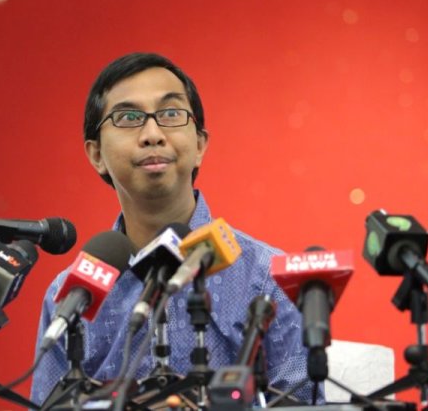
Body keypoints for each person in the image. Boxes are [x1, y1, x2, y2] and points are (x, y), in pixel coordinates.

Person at [30, 52, 321, 406]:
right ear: (96, 155)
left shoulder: (268, 278)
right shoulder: (73, 295)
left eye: (169, 114)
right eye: (128, 118)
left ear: (199, 145)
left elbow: (304, 402)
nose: (152, 134)